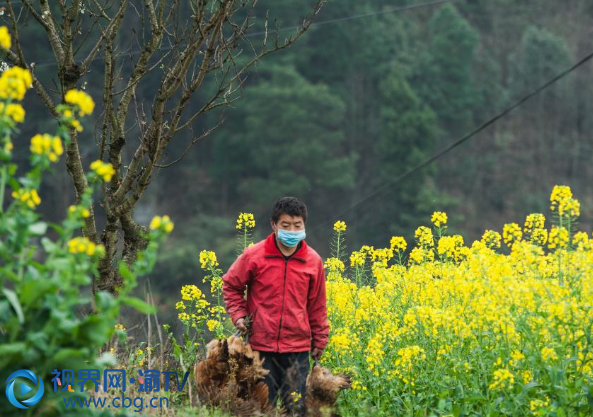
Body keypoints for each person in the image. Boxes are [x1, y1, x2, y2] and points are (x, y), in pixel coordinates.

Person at [222, 197, 329, 416]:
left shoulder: (313, 261)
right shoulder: (255, 256)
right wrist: (239, 314)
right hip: (261, 348)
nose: (292, 230)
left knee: (295, 409)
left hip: (297, 350)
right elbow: (231, 285)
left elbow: (317, 304)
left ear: (304, 225)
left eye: (297, 225)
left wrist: (319, 338)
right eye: (286, 225)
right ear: (274, 225)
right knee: (260, 408)